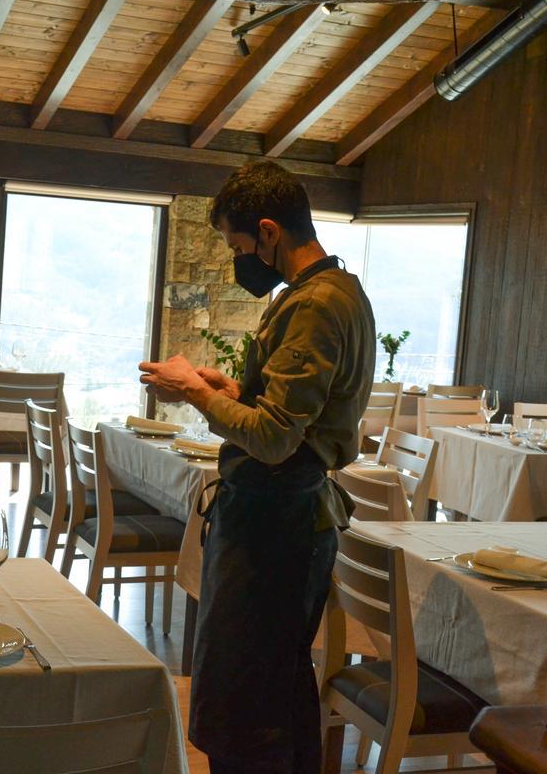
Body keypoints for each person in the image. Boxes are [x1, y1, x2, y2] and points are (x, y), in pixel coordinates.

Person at [139, 161, 375, 773]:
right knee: (277, 693)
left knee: (248, 712)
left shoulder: (316, 305)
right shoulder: (337, 291)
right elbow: (288, 413)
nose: (238, 258)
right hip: (282, 517)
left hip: (277, 525)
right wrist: (225, 388)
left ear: (269, 232)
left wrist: (194, 392)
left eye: (239, 244)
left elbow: (274, 440)